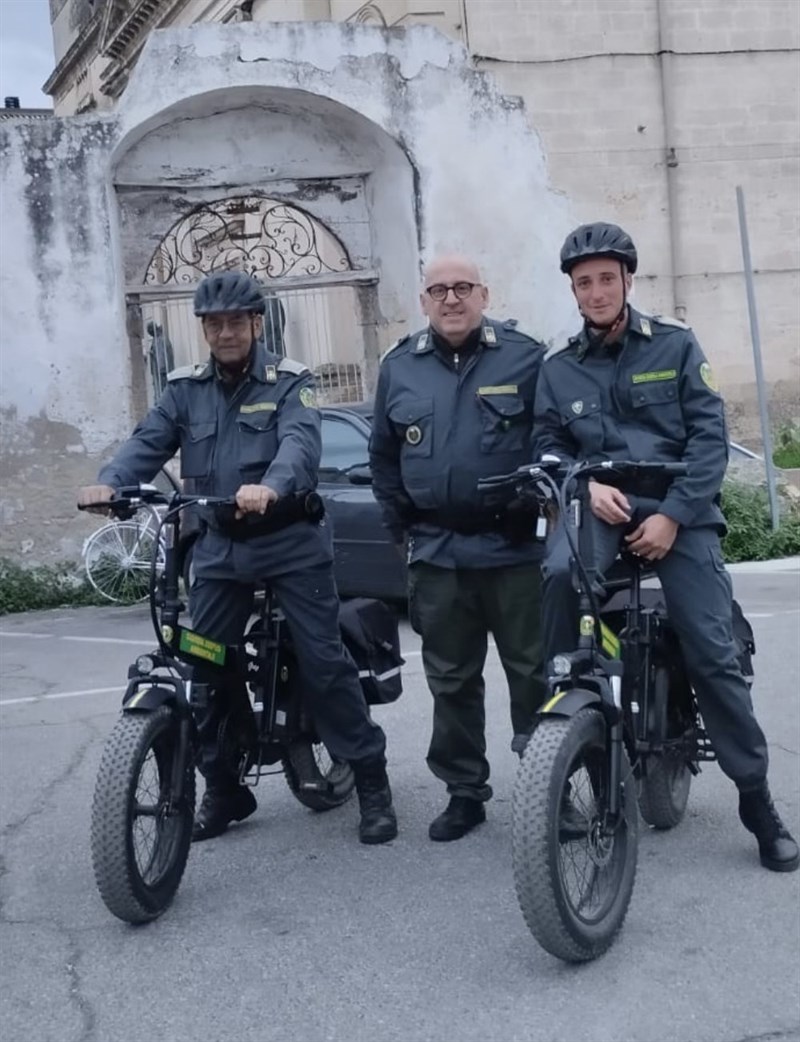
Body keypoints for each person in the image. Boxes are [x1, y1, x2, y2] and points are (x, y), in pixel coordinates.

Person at [78, 270, 397, 846]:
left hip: (290, 543)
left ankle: (372, 780)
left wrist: (272, 485)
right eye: (214, 323)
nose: (226, 332)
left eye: (236, 321)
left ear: (256, 323)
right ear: (204, 329)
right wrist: (111, 483)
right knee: (202, 665)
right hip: (220, 548)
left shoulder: (290, 382)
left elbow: (300, 443)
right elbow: (148, 442)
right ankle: (226, 788)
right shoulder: (183, 390)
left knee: (324, 664)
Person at [533, 221, 798, 872]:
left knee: (710, 648)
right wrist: (586, 484)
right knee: (559, 577)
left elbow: (710, 440)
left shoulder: (676, 346)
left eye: (605, 279)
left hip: (678, 510)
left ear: (626, 280)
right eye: (583, 282)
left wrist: (675, 517)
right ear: (572, 289)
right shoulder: (558, 365)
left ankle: (756, 797)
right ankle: (558, 728)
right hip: (605, 505)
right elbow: (545, 445)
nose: (595, 292)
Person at [369, 254, 547, 842]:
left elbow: (552, 437)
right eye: (438, 290)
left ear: (484, 294)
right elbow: (383, 456)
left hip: (514, 549)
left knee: (535, 674)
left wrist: (538, 506)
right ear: (422, 301)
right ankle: (464, 793)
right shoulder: (400, 368)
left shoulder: (525, 357)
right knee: (450, 680)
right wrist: (403, 528)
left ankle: (552, 788)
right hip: (439, 551)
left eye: (462, 288)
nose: (451, 299)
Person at [146, 320, 175, 396]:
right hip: (163, 372)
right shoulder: (160, 337)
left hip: (162, 373)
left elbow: (161, 358)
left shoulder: (159, 339)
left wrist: (161, 373)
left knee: (163, 394)